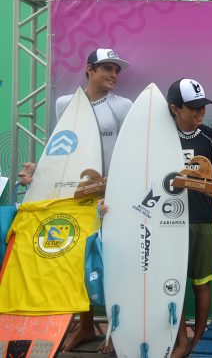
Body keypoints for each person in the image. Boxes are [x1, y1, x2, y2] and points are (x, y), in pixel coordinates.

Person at [18, 48, 132, 353]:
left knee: (116, 260)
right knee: (79, 261)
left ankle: (116, 330)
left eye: (117, 70)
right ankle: (84, 325)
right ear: (89, 70)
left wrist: (117, 189)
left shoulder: (123, 106)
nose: (114, 75)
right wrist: (37, 169)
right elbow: (62, 146)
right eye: (107, 68)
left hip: (112, 196)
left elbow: (128, 153)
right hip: (77, 197)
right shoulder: (65, 104)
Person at [166, 78, 212, 357]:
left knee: (201, 282)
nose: (200, 113)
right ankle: (180, 340)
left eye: (203, 107)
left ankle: (198, 339)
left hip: (201, 220)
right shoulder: (158, 136)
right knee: (173, 282)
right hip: (166, 221)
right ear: (175, 108)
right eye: (193, 108)